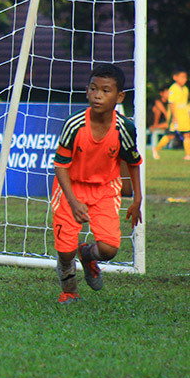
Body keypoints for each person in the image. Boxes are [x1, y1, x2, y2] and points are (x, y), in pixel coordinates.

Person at [52, 63, 142, 304]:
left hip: (105, 188)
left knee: (110, 249)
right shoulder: (74, 124)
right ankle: (69, 290)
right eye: (93, 89)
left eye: (105, 90)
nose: (98, 95)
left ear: (119, 96)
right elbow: (60, 166)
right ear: (87, 91)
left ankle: (87, 254)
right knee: (64, 250)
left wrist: (138, 198)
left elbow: (133, 161)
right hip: (70, 187)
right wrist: (73, 201)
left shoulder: (125, 127)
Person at [151, 69, 189, 161]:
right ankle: (156, 149)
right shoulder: (173, 89)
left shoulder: (185, 89)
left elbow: (185, 104)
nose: (184, 79)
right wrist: (174, 118)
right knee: (170, 135)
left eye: (185, 77)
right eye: (182, 77)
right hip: (175, 117)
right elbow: (171, 104)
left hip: (184, 117)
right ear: (175, 77)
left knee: (187, 134)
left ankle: (188, 154)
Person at [149, 87, 170, 152]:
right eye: (166, 93)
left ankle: (155, 126)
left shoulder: (169, 103)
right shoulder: (158, 101)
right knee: (157, 109)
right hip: (152, 121)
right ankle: (154, 125)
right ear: (162, 93)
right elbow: (159, 106)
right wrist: (166, 113)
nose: (168, 95)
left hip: (164, 123)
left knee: (168, 124)